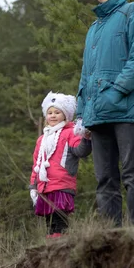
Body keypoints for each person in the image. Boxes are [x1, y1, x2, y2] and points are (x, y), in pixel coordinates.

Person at [76, 0, 134, 226]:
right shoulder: (94, 28)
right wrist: (82, 112)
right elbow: (86, 74)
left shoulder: (133, 12)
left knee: (132, 174)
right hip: (97, 114)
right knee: (105, 179)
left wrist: (118, 89)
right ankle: (111, 236)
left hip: (126, 109)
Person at [29, 91, 92, 238]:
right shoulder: (42, 139)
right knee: (49, 221)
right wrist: (33, 185)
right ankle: (51, 244)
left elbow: (81, 151)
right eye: (49, 112)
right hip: (44, 186)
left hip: (62, 184)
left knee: (59, 217)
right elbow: (36, 164)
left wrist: (86, 139)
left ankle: (61, 241)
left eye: (57, 112)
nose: (53, 115)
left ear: (65, 115)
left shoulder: (70, 133)